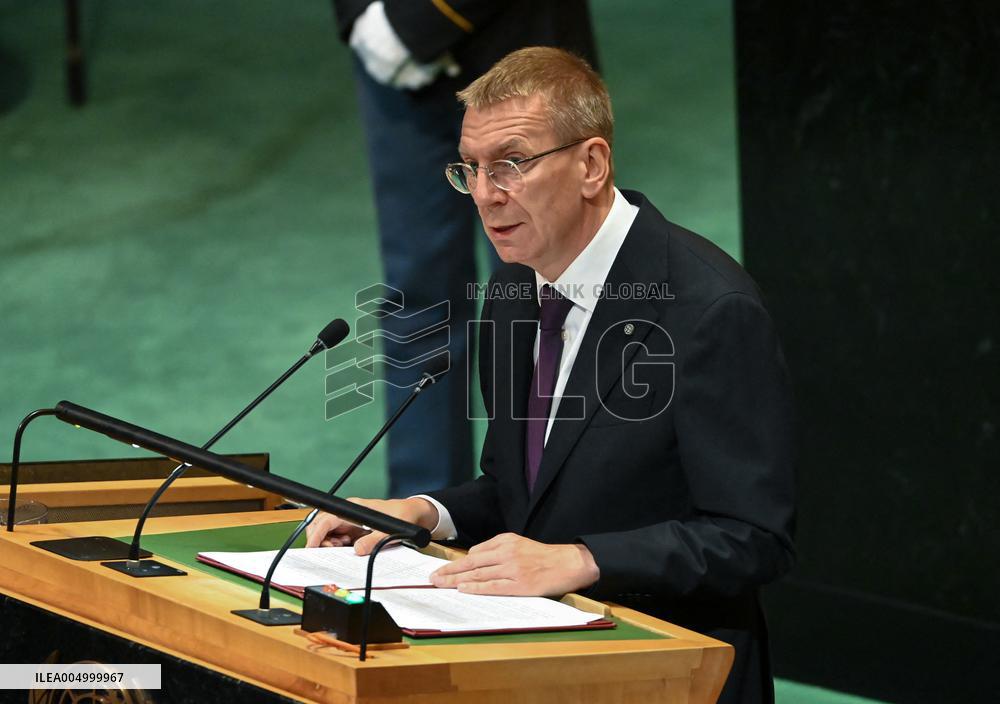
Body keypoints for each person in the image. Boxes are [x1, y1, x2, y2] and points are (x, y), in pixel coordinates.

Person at [308, 47, 796, 704]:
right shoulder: (512, 291)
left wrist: (581, 559)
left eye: (512, 163)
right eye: (471, 169)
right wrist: (425, 513)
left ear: (591, 164)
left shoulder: (709, 310)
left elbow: (752, 538)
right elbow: (521, 490)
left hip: (667, 672)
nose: (485, 193)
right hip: (539, 660)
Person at [330, 1, 598, 497]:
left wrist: (417, 19)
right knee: (415, 298)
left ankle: (554, 513)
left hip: (518, 36)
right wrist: (362, 14)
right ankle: (422, 521)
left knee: (552, 290)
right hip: (388, 50)